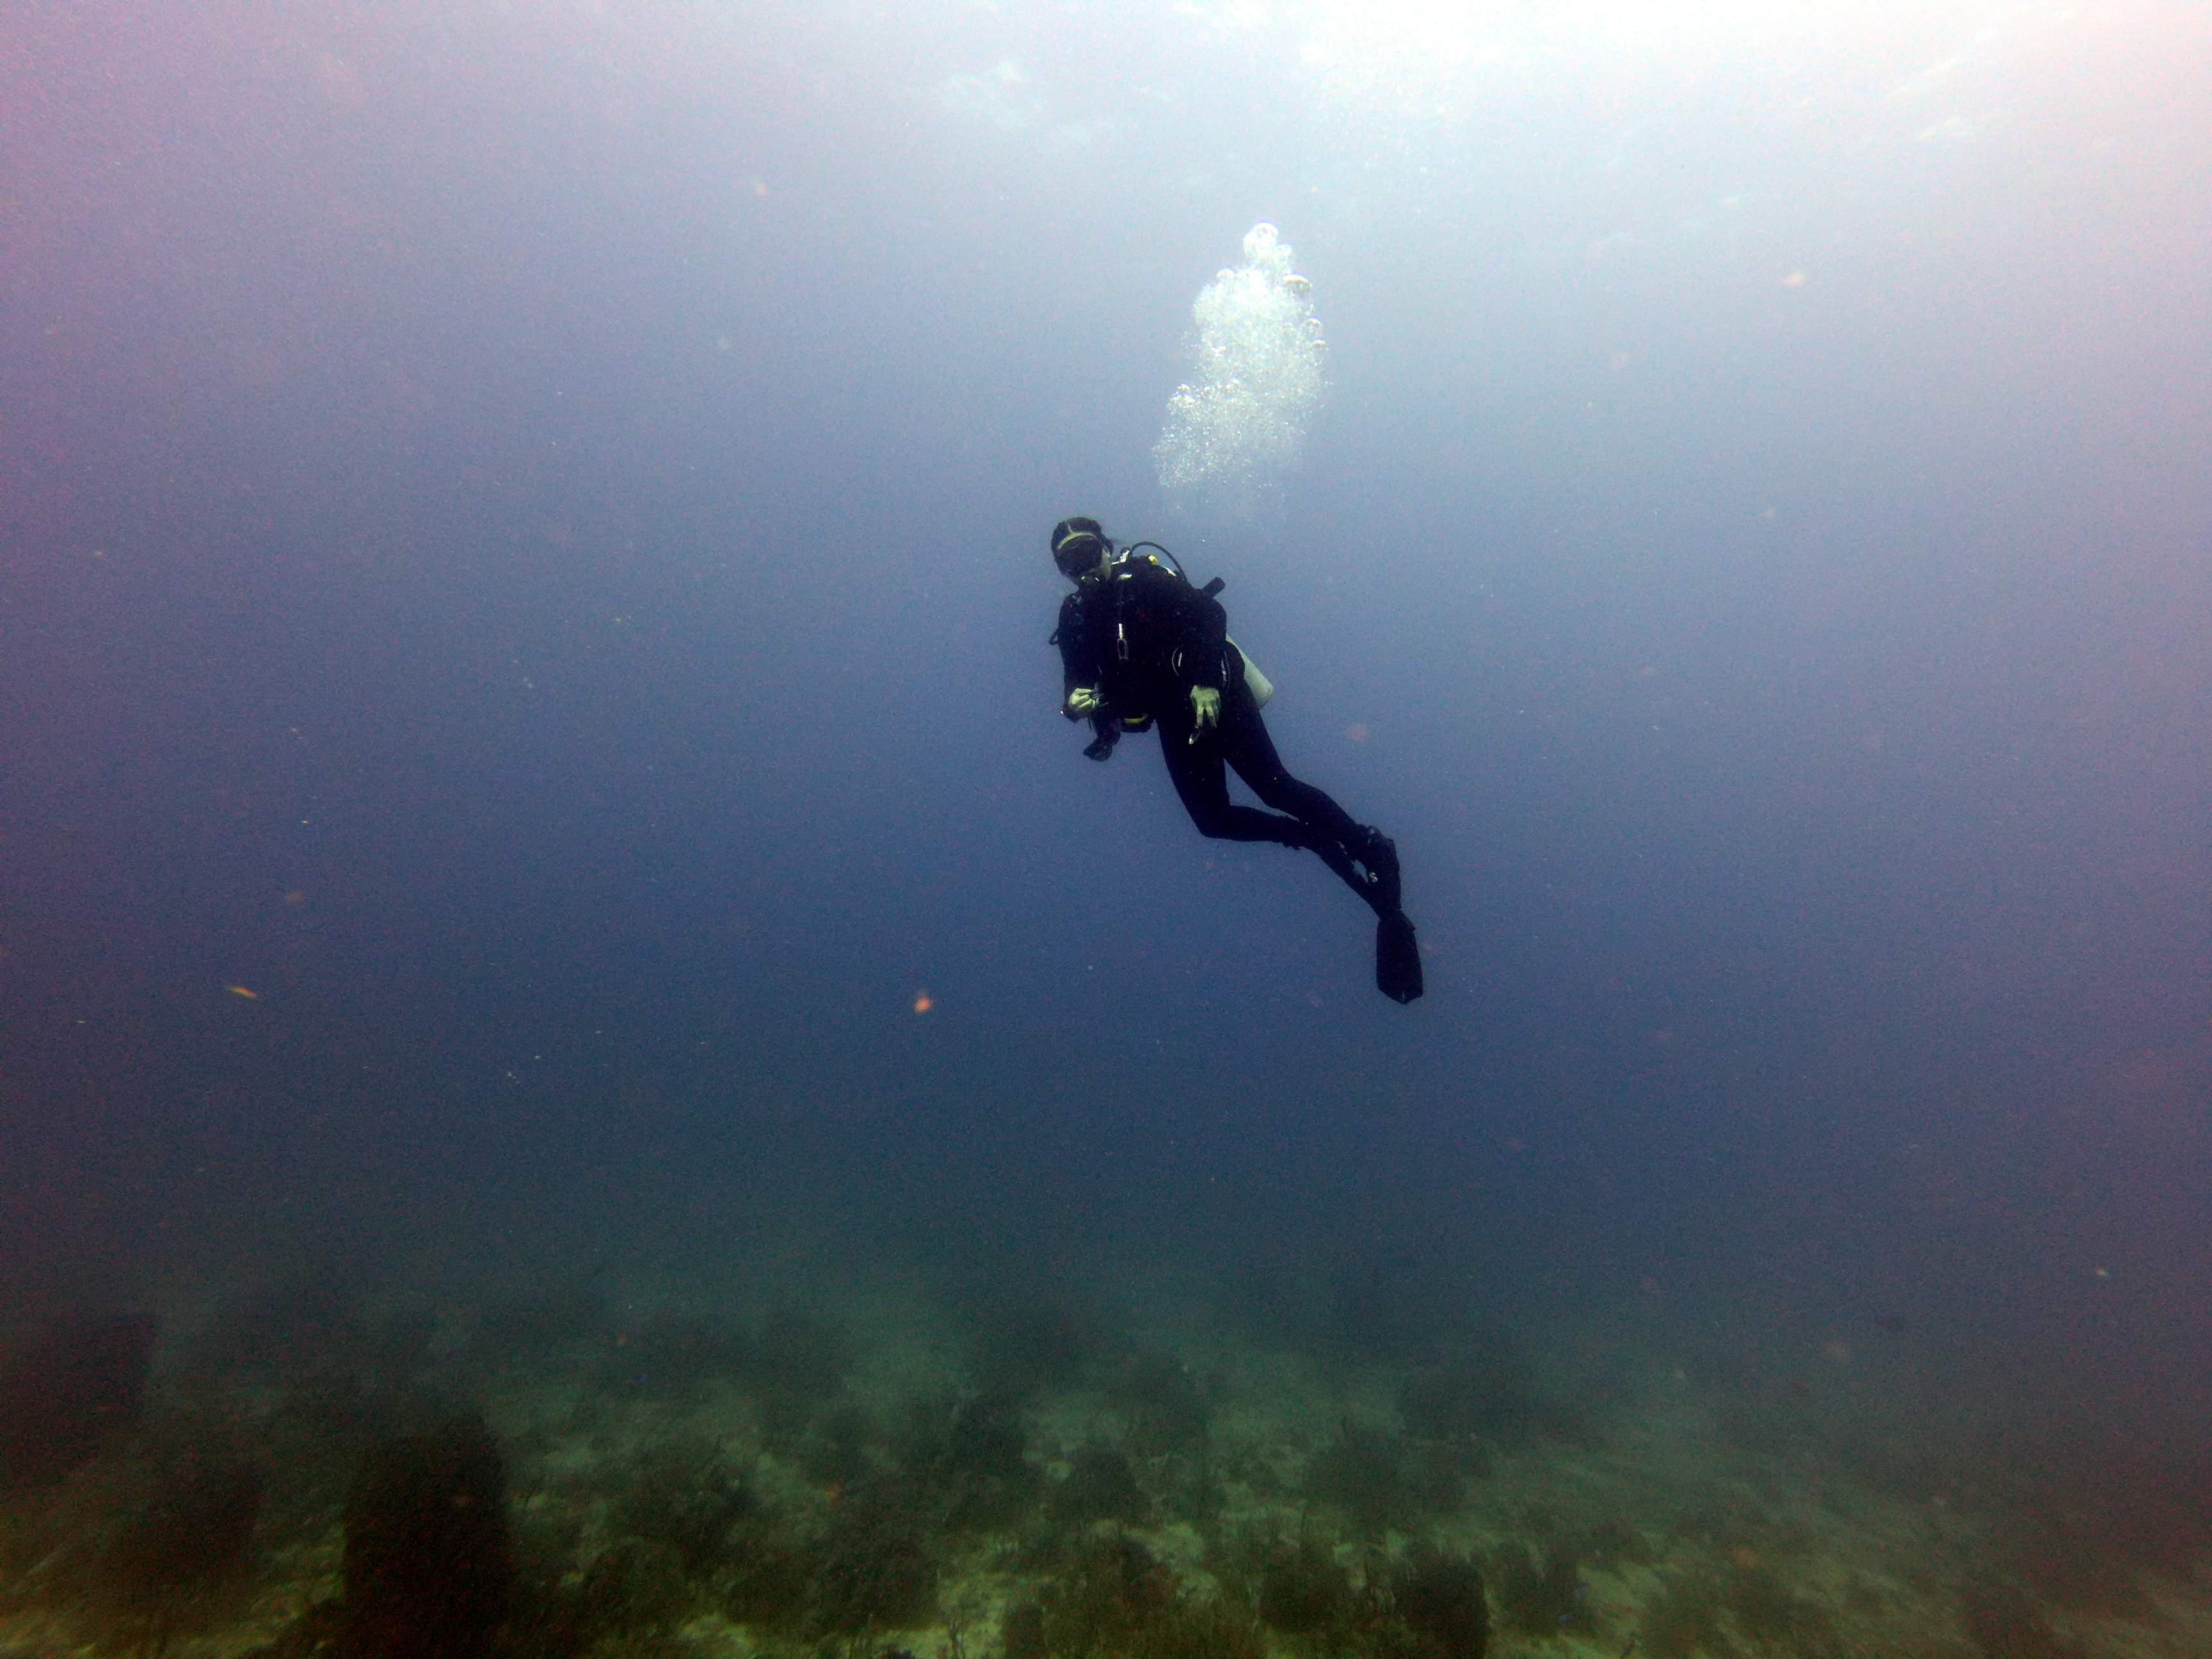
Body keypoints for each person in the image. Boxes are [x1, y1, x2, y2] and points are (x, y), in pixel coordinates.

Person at [1048, 515, 1422, 1003]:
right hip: (1174, 717)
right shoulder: (1074, 618)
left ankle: (1368, 845)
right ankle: (1305, 838)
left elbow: (1210, 616)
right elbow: (1075, 685)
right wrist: (1074, 706)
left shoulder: (1143, 579)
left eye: (1087, 551)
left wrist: (1205, 681)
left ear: (1104, 546)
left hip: (1217, 691)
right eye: (1068, 562)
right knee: (1211, 820)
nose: (1081, 567)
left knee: (1275, 787)